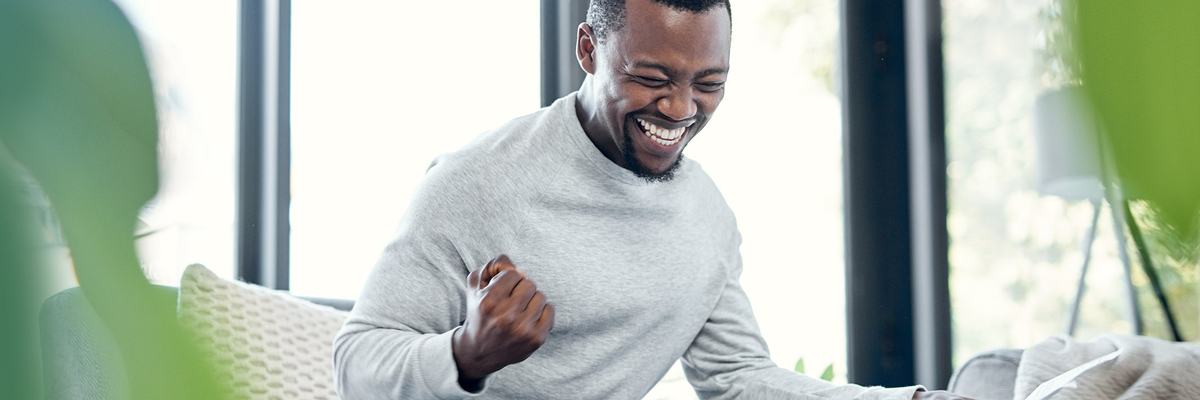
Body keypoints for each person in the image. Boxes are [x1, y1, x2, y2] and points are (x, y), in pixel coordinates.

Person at [333, 1, 970, 399]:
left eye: (709, 83)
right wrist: (466, 354)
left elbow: (738, 378)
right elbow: (354, 363)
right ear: (589, 49)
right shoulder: (477, 182)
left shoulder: (707, 217)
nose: (680, 109)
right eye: (650, 78)